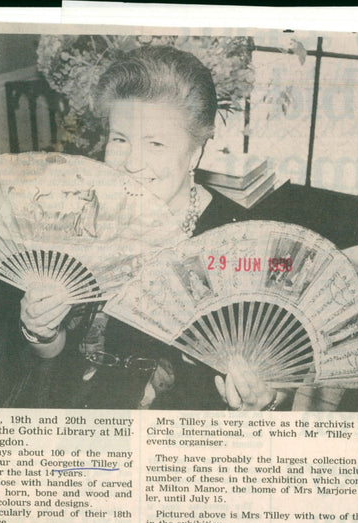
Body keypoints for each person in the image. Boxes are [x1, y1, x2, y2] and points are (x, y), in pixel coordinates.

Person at [17, 45, 278, 411]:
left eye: (155, 143)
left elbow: (271, 380)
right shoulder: (84, 217)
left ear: (195, 153)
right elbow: (56, 358)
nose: (131, 162)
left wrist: (263, 398)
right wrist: (41, 332)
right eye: (120, 139)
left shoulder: (238, 239)